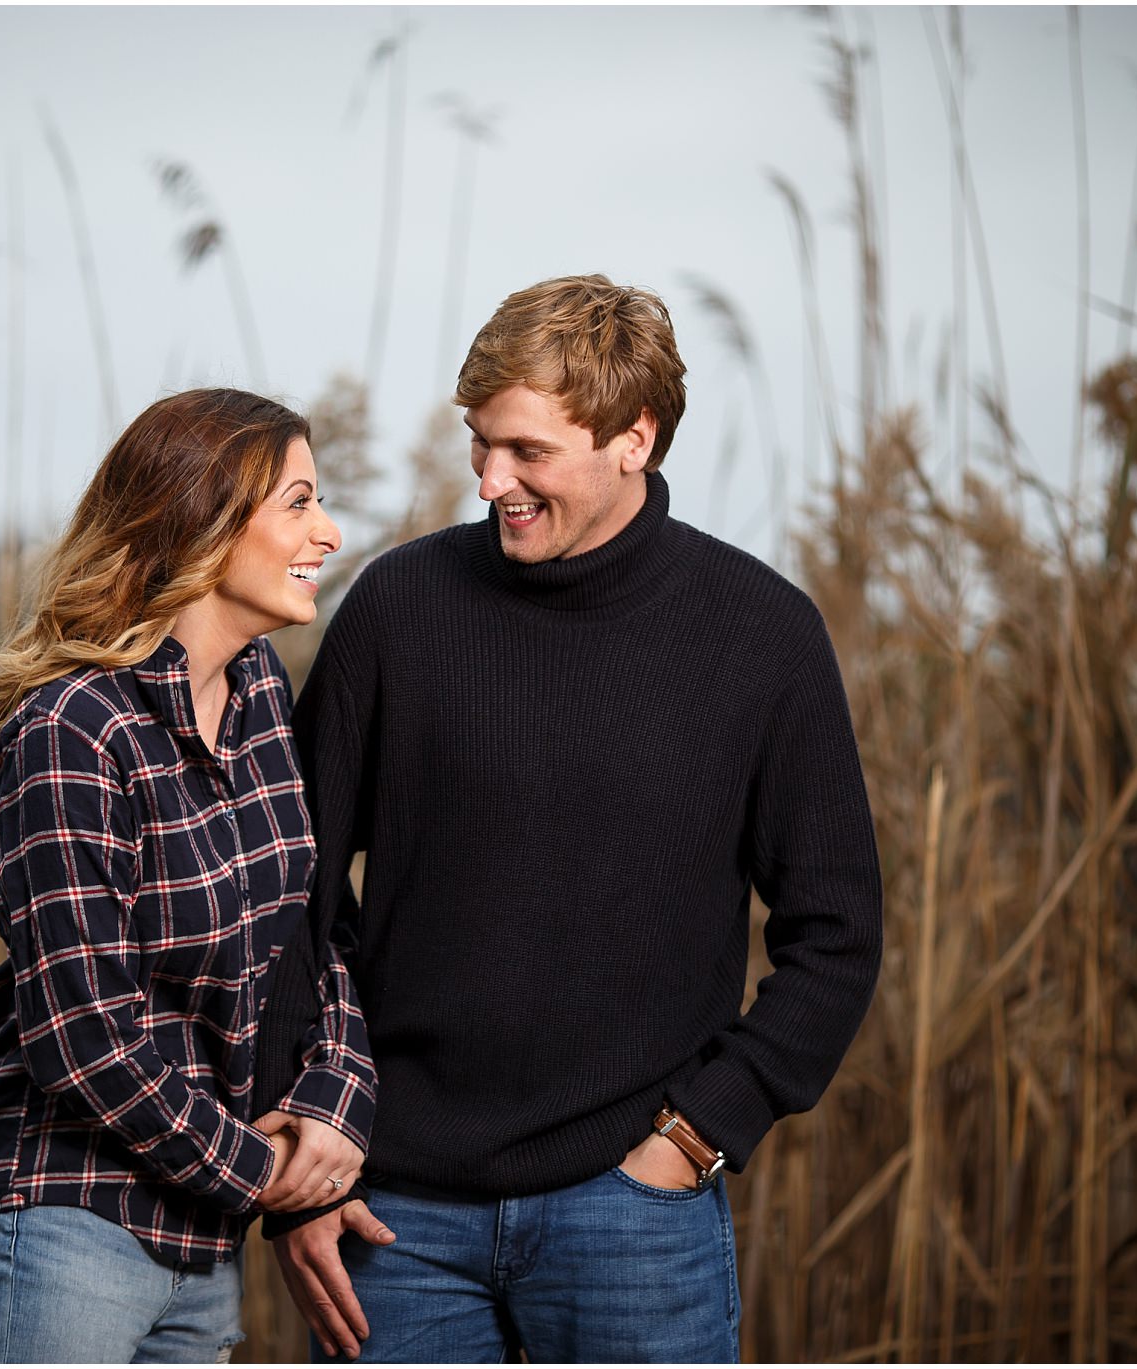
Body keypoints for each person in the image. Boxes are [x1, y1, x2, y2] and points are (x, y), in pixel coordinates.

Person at [254, 276, 884, 1363]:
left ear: (632, 437)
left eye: (526, 451)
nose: (491, 479)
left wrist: (694, 1138)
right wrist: (293, 1157)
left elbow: (836, 932)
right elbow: (285, 892)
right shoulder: (395, 611)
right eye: (478, 442)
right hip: (389, 1218)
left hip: (633, 1214)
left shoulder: (761, 636)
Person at [0, 388, 378, 1363]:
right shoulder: (73, 729)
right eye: (298, 503)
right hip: (63, 1228)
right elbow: (83, 1034)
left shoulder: (260, 690)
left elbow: (313, 933)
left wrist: (333, 1104)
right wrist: (260, 1167)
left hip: (202, 1249)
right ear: (205, 522)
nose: (328, 531)